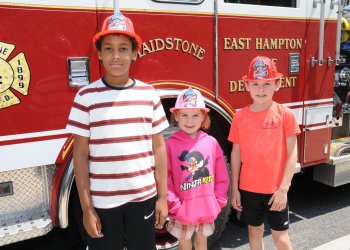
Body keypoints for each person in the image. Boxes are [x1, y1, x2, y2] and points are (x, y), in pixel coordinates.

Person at [66, 11, 169, 250]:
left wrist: (162, 197)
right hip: (103, 203)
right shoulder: (86, 97)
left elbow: (159, 148)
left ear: (135, 53)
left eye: (123, 49)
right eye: (109, 48)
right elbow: (80, 155)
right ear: (99, 54)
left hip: (143, 199)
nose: (116, 56)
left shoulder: (148, 94)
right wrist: (87, 208)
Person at [228, 56, 300, 250]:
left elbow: (293, 153)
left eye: (267, 84)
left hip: (275, 190)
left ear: (277, 84)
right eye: (256, 83)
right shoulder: (239, 116)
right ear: (247, 85)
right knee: (254, 233)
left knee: (281, 239)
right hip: (249, 189)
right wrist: (234, 188)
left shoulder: (285, 115)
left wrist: (283, 189)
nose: (261, 89)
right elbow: (236, 154)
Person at [166, 87, 229, 250]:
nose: (190, 121)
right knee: (184, 245)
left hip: (206, 207)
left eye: (195, 115)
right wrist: (174, 205)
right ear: (176, 117)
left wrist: (218, 200)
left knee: (202, 244)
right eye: (184, 115)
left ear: (203, 117)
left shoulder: (211, 142)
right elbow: (165, 179)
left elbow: (222, 175)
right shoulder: (171, 144)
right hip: (182, 210)